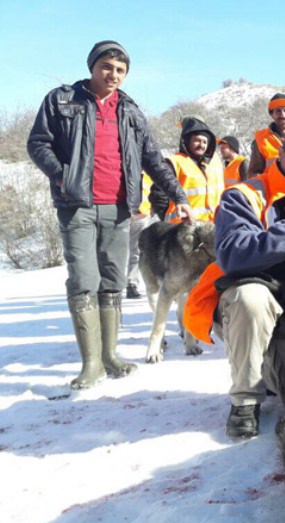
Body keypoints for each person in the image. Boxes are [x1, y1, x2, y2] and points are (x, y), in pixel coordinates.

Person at [26, 40, 193, 390]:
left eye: (120, 69)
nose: (113, 74)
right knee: (84, 279)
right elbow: (37, 142)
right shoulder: (62, 100)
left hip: (119, 209)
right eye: (106, 67)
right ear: (92, 67)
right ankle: (91, 364)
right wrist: (61, 175)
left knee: (114, 280)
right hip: (77, 206)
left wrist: (177, 194)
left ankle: (111, 356)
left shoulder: (130, 110)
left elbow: (152, 158)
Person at [183, 122, 285, 439]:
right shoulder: (245, 195)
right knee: (250, 298)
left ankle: (268, 373)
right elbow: (232, 255)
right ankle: (244, 401)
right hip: (248, 309)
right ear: (280, 154)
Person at [162, 116, 224, 223]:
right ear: (187, 141)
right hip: (181, 229)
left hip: (211, 226)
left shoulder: (212, 163)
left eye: (205, 142)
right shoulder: (174, 162)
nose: (201, 145)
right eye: (197, 141)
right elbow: (159, 196)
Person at [247, 92, 285, 178]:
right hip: (273, 190)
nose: (283, 115)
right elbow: (253, 174)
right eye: (278, 111)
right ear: (272, 115)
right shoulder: (261, 139)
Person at [125, 172, 155, 299]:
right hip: (120, 214)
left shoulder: (149, 172)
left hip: (141, 215)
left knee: (136, 251)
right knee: (114, 251)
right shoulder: (124, 167)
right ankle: (109, 285)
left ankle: (132, 284)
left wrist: (153, 207)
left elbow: (154, 192)